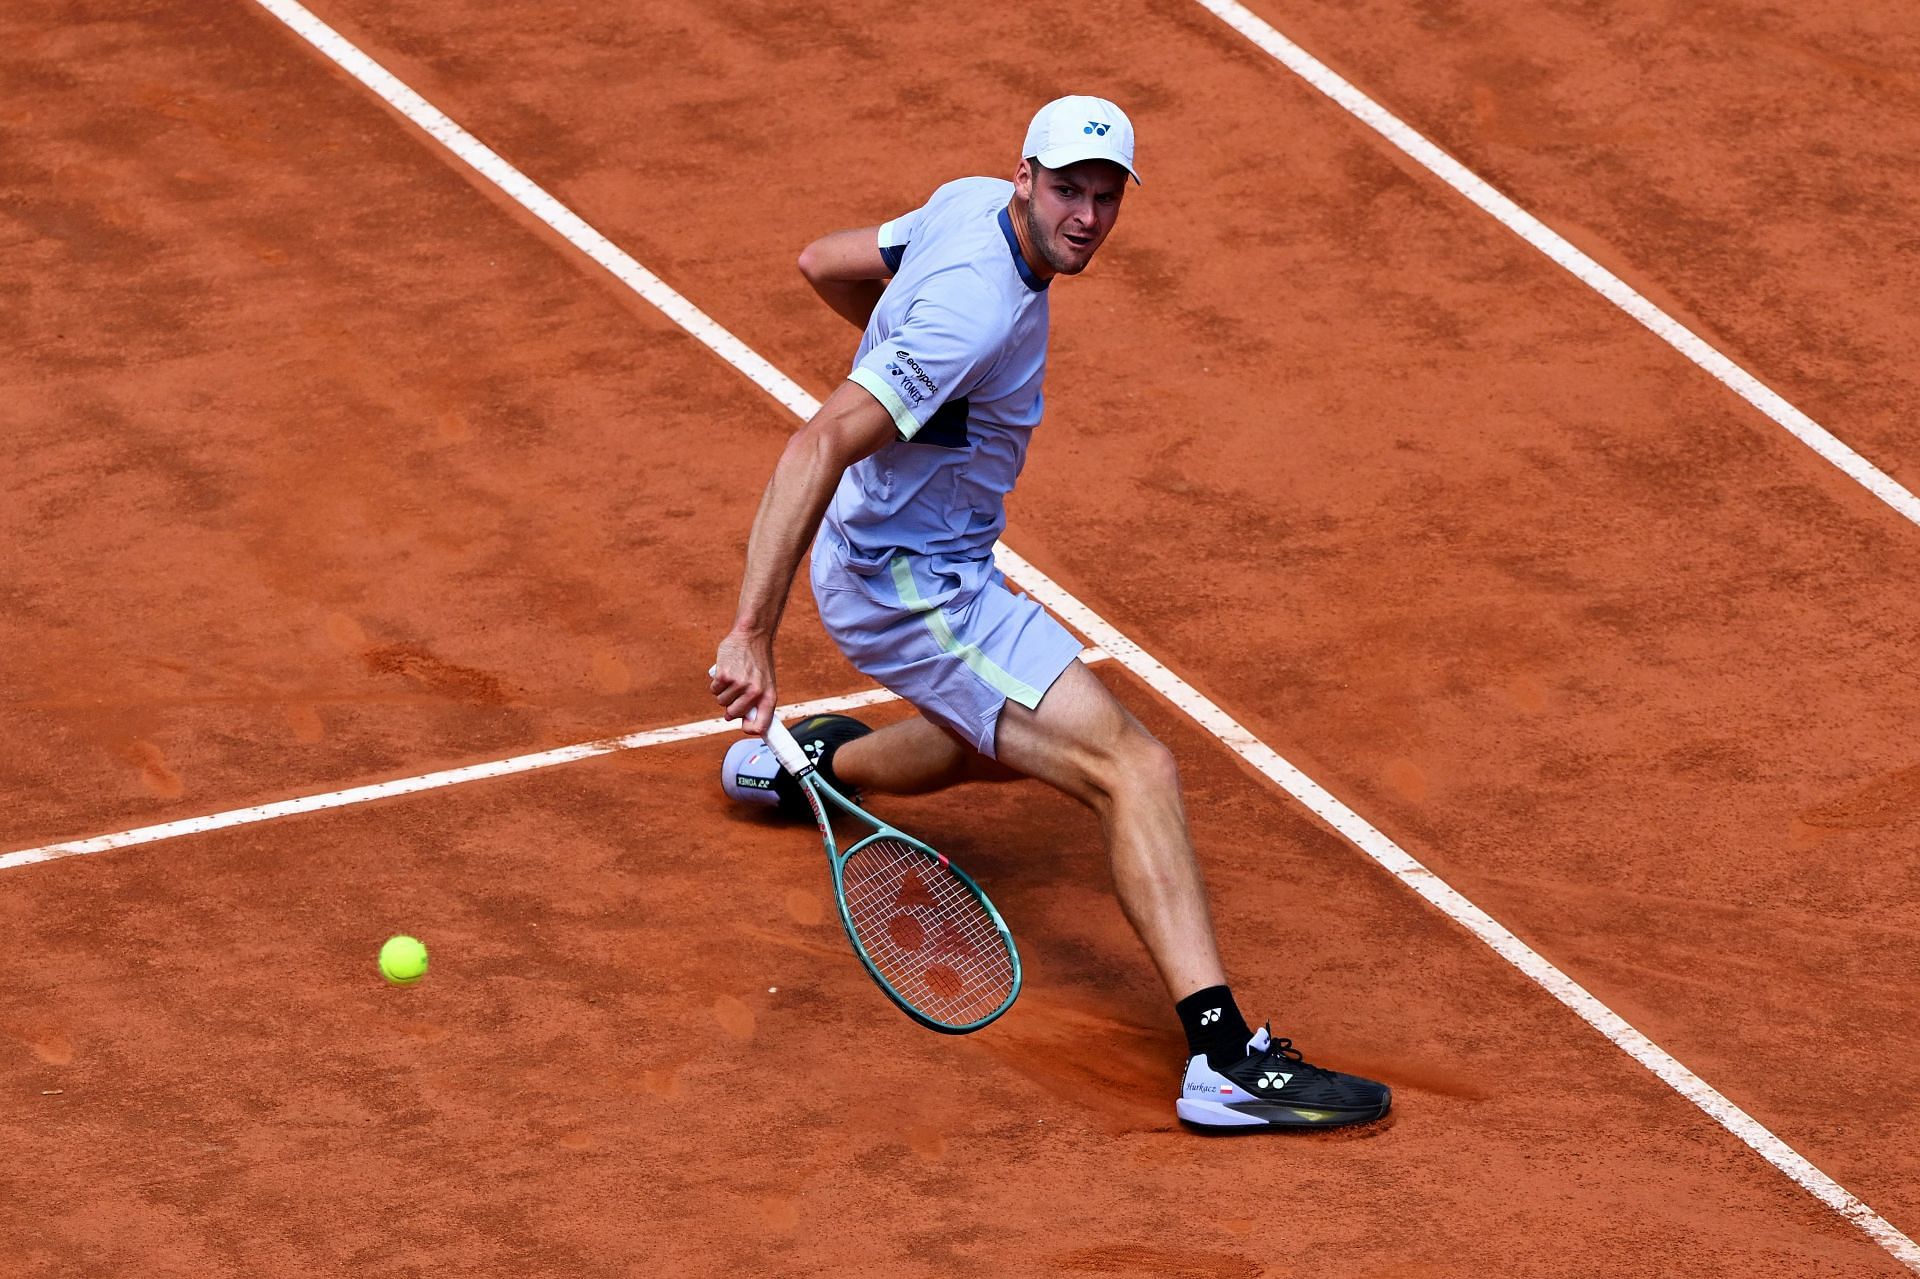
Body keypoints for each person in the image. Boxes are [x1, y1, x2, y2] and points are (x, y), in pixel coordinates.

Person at [708, 96, 1389, 1130]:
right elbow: (817, 443)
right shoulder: (971, 313)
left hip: (924, 557)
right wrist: (753, 631)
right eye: (1068, 190)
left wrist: (925, 399)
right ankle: (1222, 1061)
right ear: (1026, 176)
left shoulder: (968, 204)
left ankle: (805, 765)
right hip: (914, 586)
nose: (1085, 216)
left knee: (998, 746)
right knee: (1134, 768)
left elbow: (823, 262)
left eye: (1104, 197)